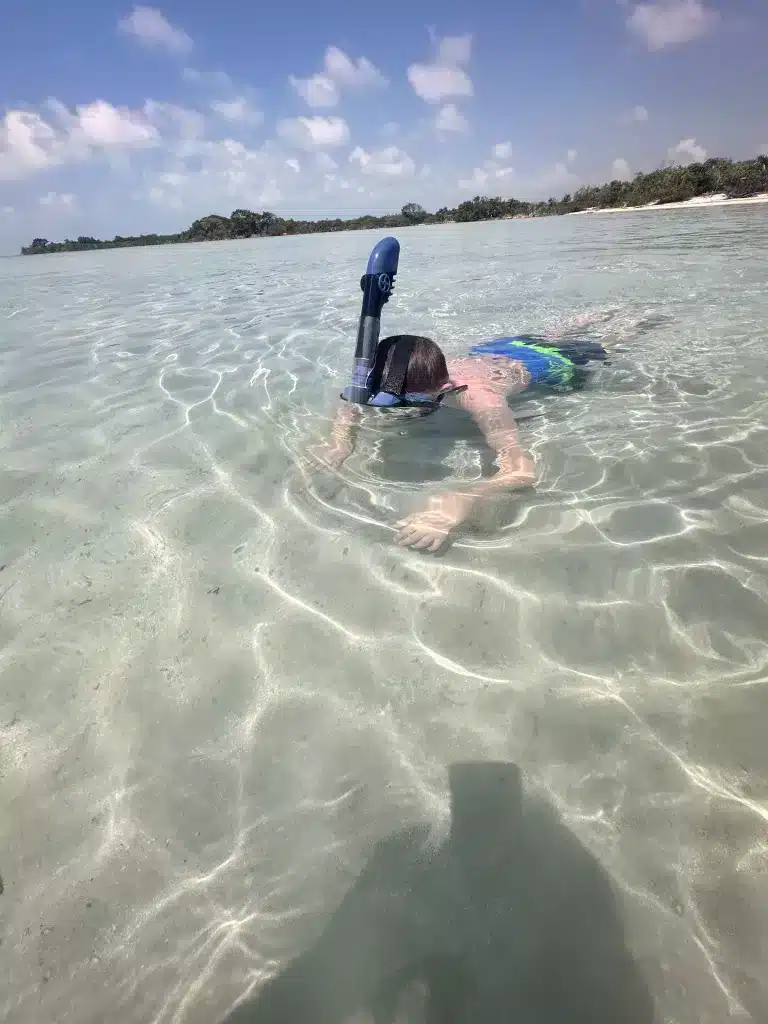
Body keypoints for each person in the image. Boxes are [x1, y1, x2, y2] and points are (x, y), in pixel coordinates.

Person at [311, 321, 619, 552]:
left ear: (442, 391)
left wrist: (460, 499)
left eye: (408, 403)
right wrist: (340, 442)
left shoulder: (482, 400)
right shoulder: (393, 380)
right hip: (496, 350)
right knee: (561, 328)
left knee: (617, 335)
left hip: (549, 364)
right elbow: (352, 401)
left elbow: (523, 471)